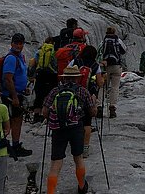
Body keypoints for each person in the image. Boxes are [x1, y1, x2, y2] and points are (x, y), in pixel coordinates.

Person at [42, 66, 96, 194]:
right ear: (78, 78)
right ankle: (82, 186)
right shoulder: (82, 91)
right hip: (76, 127)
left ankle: (50, 191)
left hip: (58, 128)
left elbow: (45, 111)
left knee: (56, 162)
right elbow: (92, 112)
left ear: (64, 78)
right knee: (78, 158)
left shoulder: (55, 91)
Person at [1, 33, 32, 157]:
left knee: (17, 120)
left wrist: (23, 89)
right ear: (11, 43)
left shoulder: (19, 57)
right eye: (16, 43)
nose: (19, 45)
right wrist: (14, 97)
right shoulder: (11, 58)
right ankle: (12, 146)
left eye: (21, 43)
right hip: (10, 95)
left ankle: (14, 144)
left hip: (18, 93)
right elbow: (8, 79)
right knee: (13, 120)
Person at [72, 45, 102, 157]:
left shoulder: (75, 61)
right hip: (88, 95)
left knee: (72, 118)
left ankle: (73, 145)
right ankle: (85, 149)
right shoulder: (95, 65)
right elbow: (99, 83)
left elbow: (66, 74)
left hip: (73, 93)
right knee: (87, 123)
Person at [98, 27, 126, 119]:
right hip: (116, 66)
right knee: (115, 87)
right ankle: (112, 107)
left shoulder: (103, 41)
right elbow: (124, 50)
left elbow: (99, 52)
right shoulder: (118, 41)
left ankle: (99, 107)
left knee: (103, 87)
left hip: (105, 67)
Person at [32, 37, 57, 123]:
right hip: (51, 75)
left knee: (39, 95)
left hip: (40, 75)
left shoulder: (39, 51)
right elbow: (55, 64)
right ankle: (44, 115)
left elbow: (34, 62)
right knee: (48, 95)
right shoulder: (53, 51)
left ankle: (36, 115)